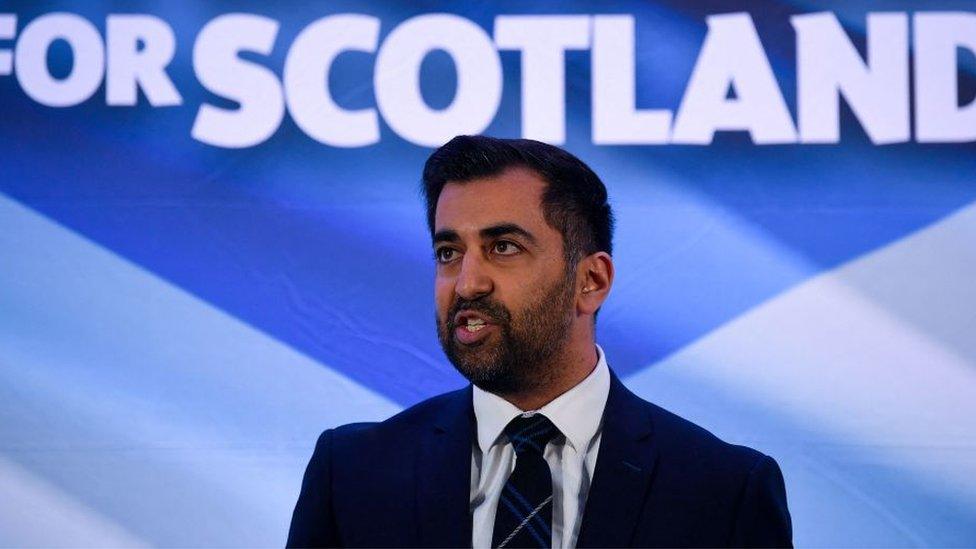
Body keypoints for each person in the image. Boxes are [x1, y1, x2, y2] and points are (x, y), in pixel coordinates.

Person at [287, 135, 792, 548]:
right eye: (448, 251)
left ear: (590, 281)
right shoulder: (353, 473)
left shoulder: (724, 491)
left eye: (503, 247)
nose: (466, 284)